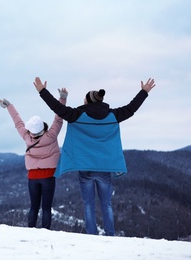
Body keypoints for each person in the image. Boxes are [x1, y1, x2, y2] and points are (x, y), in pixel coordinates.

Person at [33, 77, 156, 236]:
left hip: (86, 168)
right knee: (107, 204)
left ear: (88, 102)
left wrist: (42, 91)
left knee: (89, 204)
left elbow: (56, 107)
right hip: (104, 168)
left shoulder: (76, 115)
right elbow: (132, 108)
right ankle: (110, 235)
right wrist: (144, 92)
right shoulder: (113, 115)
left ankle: (92, 236)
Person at [0, 88, 68, 229]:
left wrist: (9, 106)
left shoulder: (27, 137)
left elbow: (18, 122)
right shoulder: (51, 135)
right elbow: (59, 117)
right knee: (46, 208)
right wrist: (62, 98)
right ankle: (45, 232)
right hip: (48, 176)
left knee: (33, 207)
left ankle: (30, 231)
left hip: (33, 177)